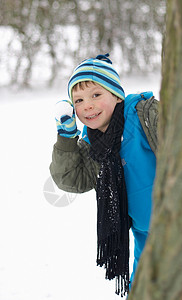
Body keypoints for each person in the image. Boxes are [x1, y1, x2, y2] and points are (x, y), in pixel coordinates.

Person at [50, 53, 156, 297]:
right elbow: (71, 179)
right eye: (78, 100)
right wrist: (66, 138)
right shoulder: (91, 143)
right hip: (146, 236)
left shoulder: (144, 116)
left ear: (116, 95)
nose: (87, 105)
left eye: (96, 95)